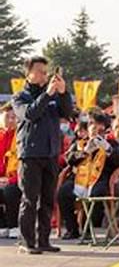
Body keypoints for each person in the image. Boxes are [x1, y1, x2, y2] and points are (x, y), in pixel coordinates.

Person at [12, 57, 73, 254]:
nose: (44, 75)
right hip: (30, 154)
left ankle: (44, 240)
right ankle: (26, 241)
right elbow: (30, 114)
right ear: (28, 73)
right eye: (39, 71)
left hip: (51, 153)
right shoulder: (20, 97)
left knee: (47, 199)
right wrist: (47, 94)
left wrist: (63, 93)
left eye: (46, 72)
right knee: (30, 199)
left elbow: (68, 112)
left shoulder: (53, 96)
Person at [57, 113, 119, 238]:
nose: (95, 131)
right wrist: (84, 152)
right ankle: (73, 229)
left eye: (99, 129)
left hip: (99, 179)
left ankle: (88, 229)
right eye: (92, 127)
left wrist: (107, 149)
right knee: (63, 192)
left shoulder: (111, 144)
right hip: (78, 180)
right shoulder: (80, 143)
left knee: (97, 194)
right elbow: (68, 159)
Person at [0, 104, 22, 239]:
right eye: (7, 117)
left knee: (10, 191)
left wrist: (10, 180)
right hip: (1, 178)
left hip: (17, 178)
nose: (10, 120)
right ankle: (2, 225)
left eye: (14, 117)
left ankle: (14, 225)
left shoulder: (21, 136)